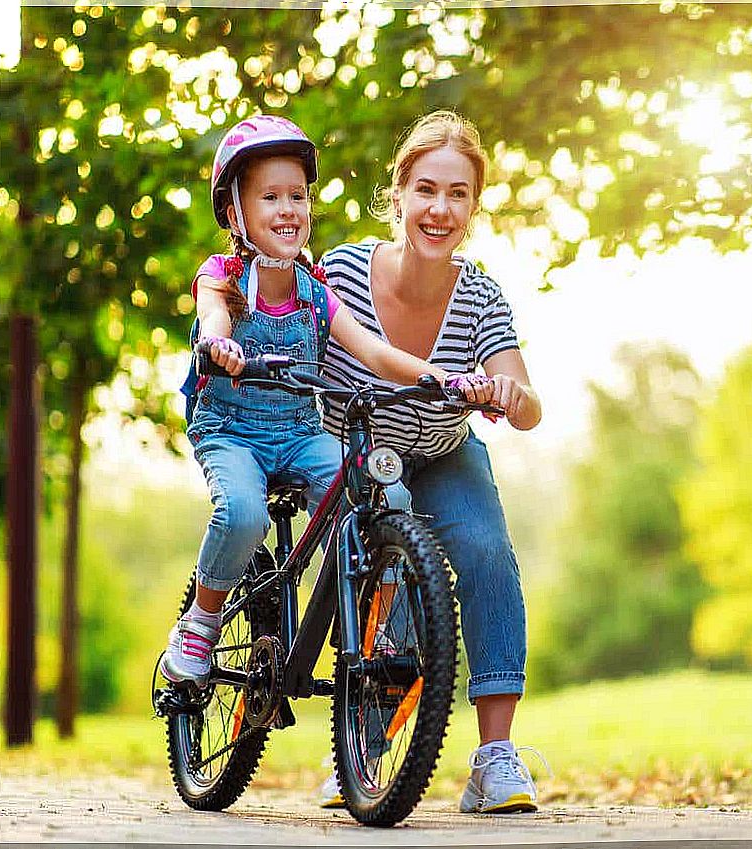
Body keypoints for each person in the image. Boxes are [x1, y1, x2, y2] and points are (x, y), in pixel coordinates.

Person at [160, 114, 490, 687]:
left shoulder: (317, 291)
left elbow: (374, 351)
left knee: (383, 496)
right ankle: (201, 622)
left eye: (298, 196)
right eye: (270, 197)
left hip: (299, 431)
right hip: (231, 432)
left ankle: (377, 626)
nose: (288, 209)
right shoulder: (223, 277)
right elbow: (213, 315)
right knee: (243, 513)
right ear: (236, 213)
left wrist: (439, 378)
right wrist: (218, 342)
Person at [316, 110, 544, 814]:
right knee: (394, 570)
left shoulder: (479, 295)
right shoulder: (344, 271)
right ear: (398, 195)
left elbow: (530, 404)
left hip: (443, 449)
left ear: (474, 207)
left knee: (485, 551)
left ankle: (495, 759)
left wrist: (508, 392)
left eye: (458, 194)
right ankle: (364, 748)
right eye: (426, 189)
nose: (440, 208)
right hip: (354, 452)